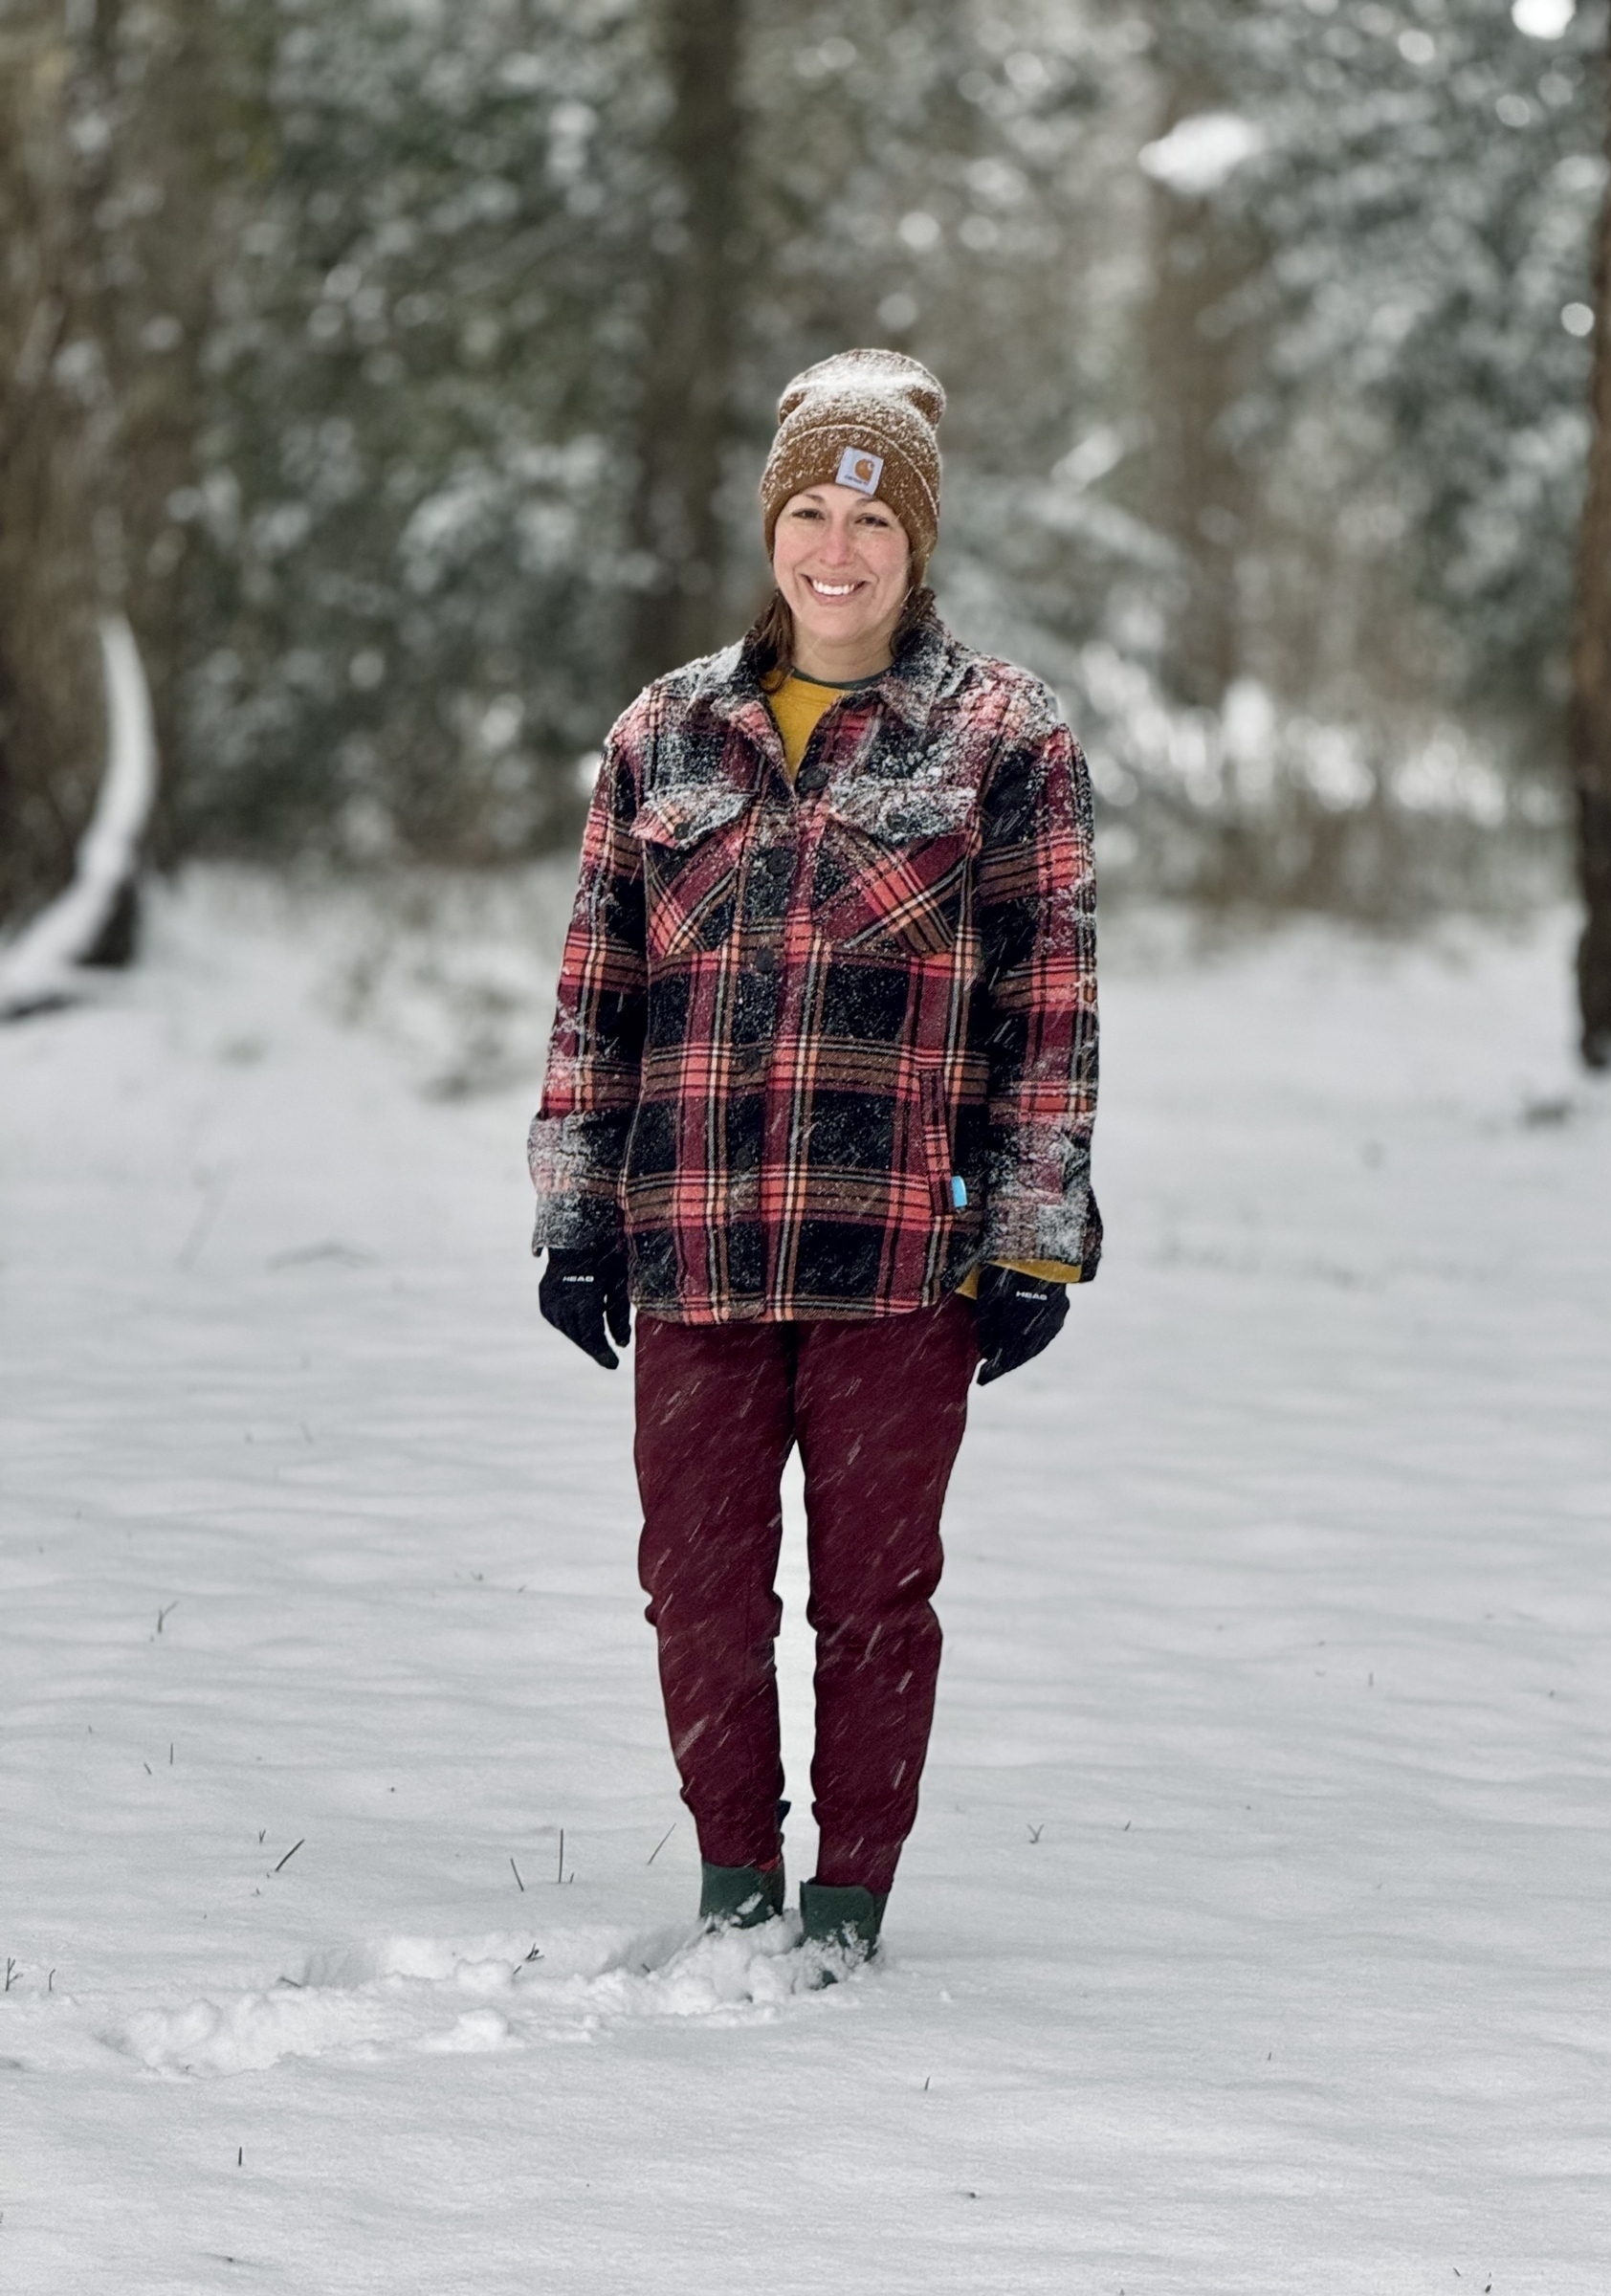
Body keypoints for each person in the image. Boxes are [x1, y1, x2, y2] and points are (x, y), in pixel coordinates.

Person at [530, 347, 1100, 1970]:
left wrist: (1036, 1231)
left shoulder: (1003, 735)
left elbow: (1048, 1001)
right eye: (807, 510)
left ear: (917, 546)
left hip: (902, 1250)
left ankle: (846, 1910)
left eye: (871, 519)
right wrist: (576, 1215)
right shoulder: (667, 734)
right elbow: (598, 991)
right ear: (769, 524)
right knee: (697, 1594)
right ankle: (732, 1891)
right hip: (692, 1235)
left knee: (872, 1602)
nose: (835, 549)